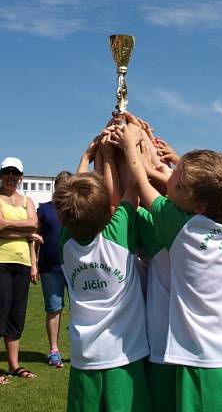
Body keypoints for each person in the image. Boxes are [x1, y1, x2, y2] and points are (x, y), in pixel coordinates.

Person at [119, 124, 222, 412]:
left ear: (199, 207)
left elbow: (139, 179)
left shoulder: (184, 227)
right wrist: (169, 159)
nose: (170, 181)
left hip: (203, 361)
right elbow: (213, 185)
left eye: (178, 183)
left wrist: (131, 143)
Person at [55, 171, 151, 412]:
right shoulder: (117, 234)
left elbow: (70, 204)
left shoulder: (65, 243)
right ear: (111, 211)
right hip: (125, 354)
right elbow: (133, 189)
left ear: (62, 219)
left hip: (84, 357)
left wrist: (91, 153)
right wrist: (108, 150)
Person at [0, 157, 39, 385]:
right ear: (0, 174)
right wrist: (25, 232)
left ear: (21, 177)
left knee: (16, 316)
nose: (11, 177)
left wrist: (9, 225)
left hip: (21, 263)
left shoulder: (27, 201)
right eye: (7, 172)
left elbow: (34, 224)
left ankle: (14, 365)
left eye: (16, 173)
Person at [35, 170, 72, 369]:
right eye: (61, 187)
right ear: (55, 188)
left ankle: (81, 348)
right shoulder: (44, 210)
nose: (63, 190)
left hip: (75, 267)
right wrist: (33, 263)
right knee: (54, 309)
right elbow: (34, 238)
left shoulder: (76, 209)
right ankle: (54, 351)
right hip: (50, 267)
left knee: (81, 309)